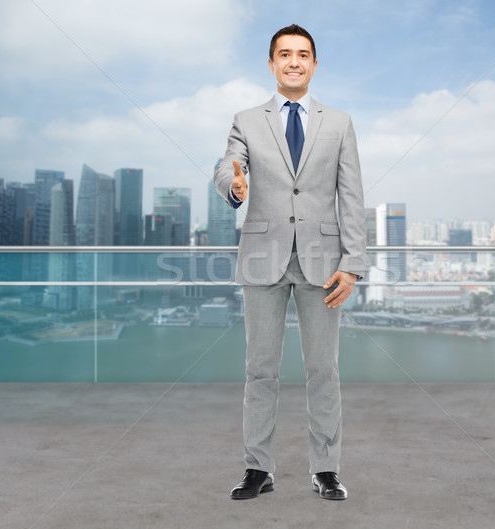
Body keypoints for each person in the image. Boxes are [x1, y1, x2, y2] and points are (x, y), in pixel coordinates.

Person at [214, 24, 366, 501]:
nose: (294, 61)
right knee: (260, 370)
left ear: (314, 64)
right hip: (264, 257)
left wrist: (353, 262)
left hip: (324, 263)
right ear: (271, 63)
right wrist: (234, 185)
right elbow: (228, 165)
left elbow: (351, 196)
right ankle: (258, 469)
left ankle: (326, 469)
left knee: (324, 370)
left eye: (302, 54)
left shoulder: (339, 122)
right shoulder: (246, 119)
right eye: (285, 54)